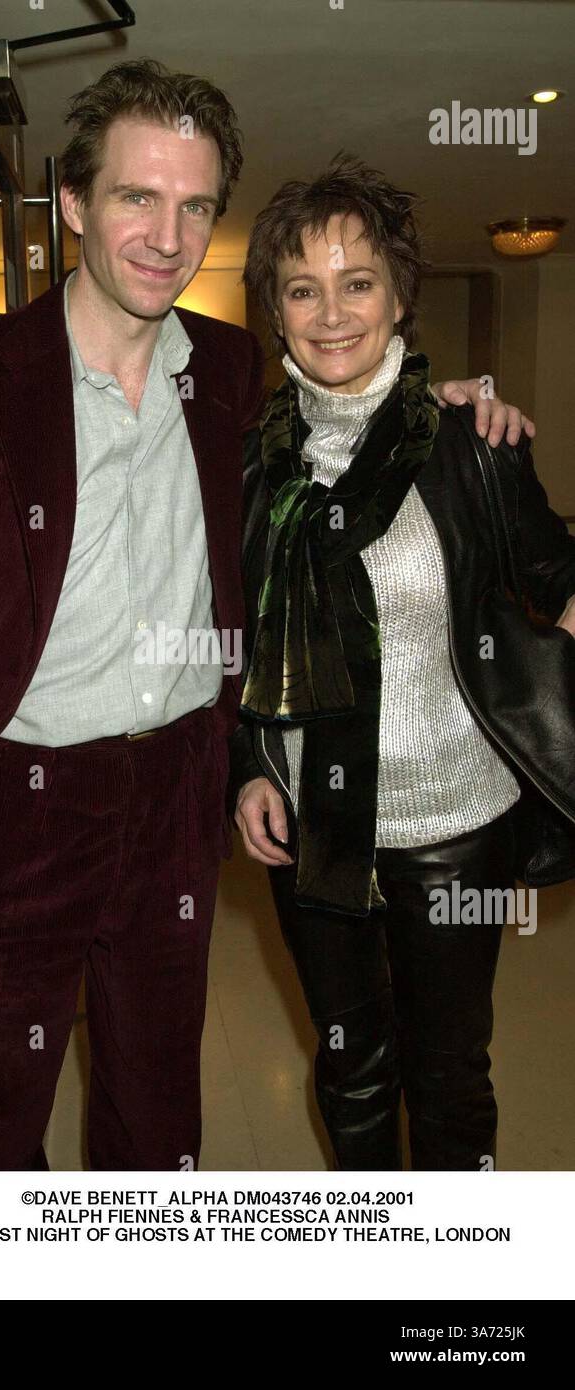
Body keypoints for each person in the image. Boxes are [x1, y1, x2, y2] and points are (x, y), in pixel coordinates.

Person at [0, 64, 529, 1172]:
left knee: (158, 1120)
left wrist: (442, 403)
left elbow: (334, 417)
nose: (166, 234)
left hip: (170, 797)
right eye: (135, 197)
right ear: (73, 203)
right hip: (10, 803)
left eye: (195, 205)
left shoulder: (227, 369)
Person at [230, 155, 575, 1171]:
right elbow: (232, 640)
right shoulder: (250, 462)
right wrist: (249, 762)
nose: (331, 313)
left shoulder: (471, 440)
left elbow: (558, 578)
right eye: (303, 288)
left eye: (358, 282)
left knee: (449, 1072)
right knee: (351, 1070)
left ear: (399, 297)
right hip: (314, 830)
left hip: (454, 830)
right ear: (278, 312)